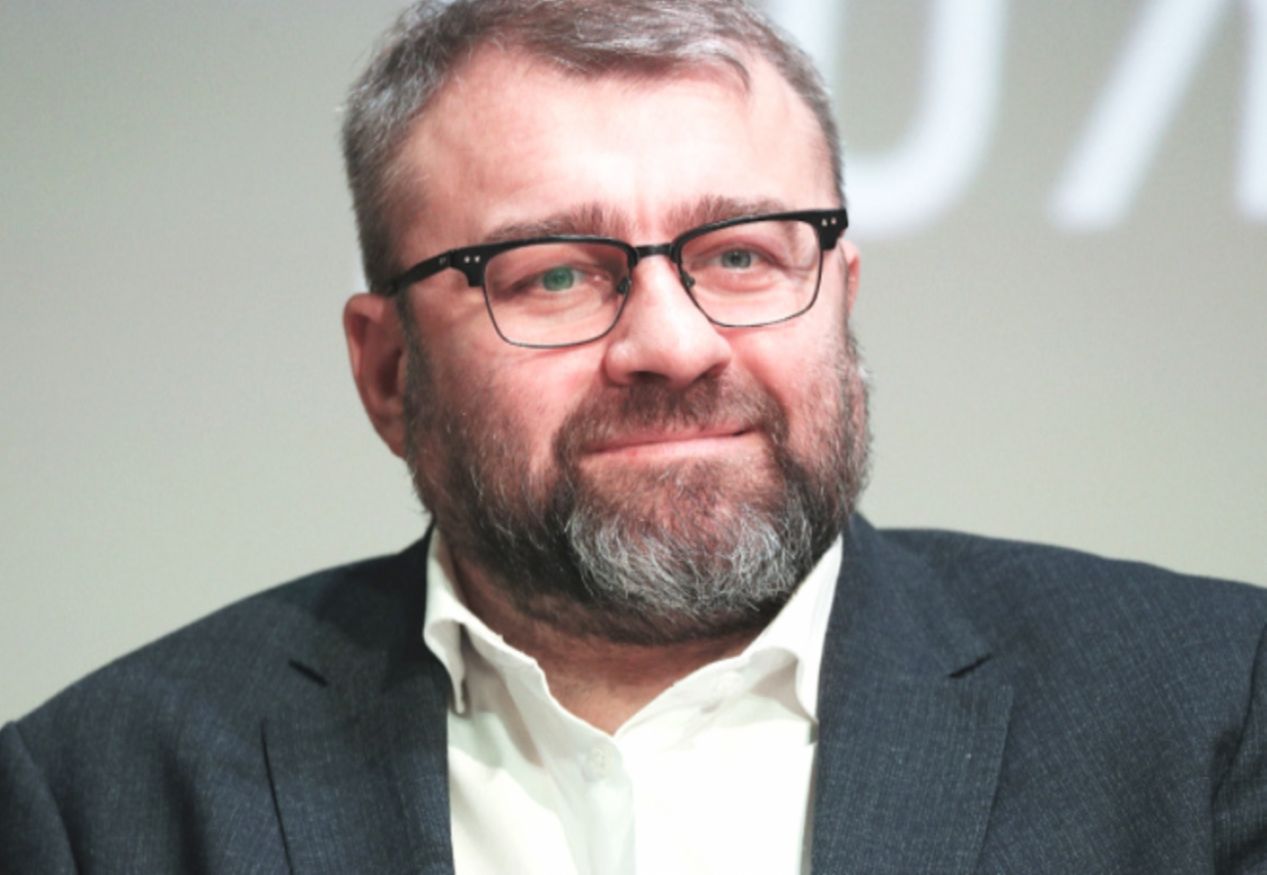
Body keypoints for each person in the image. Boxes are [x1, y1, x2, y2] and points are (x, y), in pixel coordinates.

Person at [2, 0, 1264, 872]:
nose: (674, 341)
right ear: (387, 370)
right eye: (553, 273)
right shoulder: (97, 799)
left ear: (840, 298)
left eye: (742, 254)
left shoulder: (1210, 708)